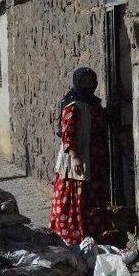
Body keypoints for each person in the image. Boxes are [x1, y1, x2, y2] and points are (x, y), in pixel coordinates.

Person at [50, 67, 110, 245]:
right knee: (77, 198)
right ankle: (74, 236)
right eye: (84, 82)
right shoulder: (73, 106)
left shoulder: (93, 104)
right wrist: (75, 157)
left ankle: (96, 235)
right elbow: (67, 134)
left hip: (96, 159)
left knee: (94, 197)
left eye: (91, 82)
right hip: (79, 160)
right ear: (77, 82)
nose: (88, 85)